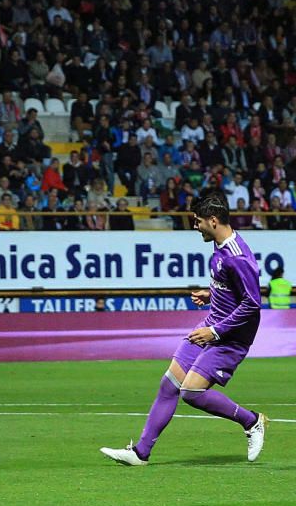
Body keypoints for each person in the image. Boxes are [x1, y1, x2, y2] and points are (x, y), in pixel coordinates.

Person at [101, 191, 268, 466]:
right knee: (169, 384)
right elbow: (234, 293)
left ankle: (252, 422)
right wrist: (212, 294)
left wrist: (215, 333)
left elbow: (252, 304)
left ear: (213, 221)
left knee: (191, 392)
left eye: (198, 221)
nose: (195, 226)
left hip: (229, 338)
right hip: (210, 327)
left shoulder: (237, 257)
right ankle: (140, 453)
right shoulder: (221, 246)